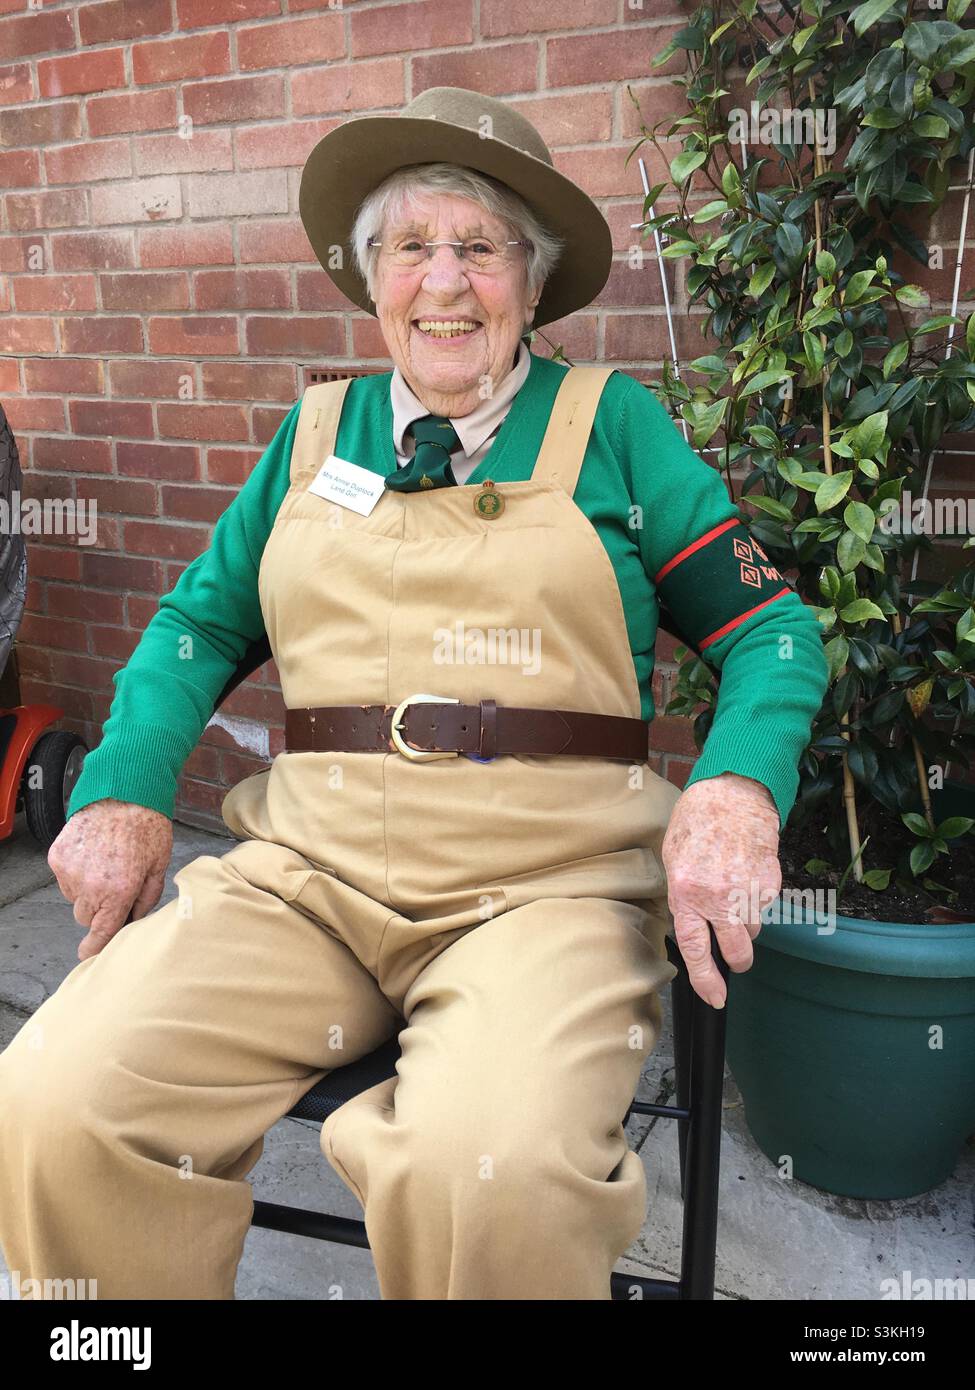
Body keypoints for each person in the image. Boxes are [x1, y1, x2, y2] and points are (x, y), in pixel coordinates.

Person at [0, 87, 828, 1300]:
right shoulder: (314, 432)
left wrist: (738, 785)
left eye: (480, 249)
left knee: (486, 1171)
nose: (444, 282)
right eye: (410, 248)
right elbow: (195, 627)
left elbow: (775, 633)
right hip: (307, 880)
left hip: (543, 892)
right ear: (372, 278)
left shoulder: (614, 428)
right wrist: (123, 789)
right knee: (54, 1101)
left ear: (531, 285)